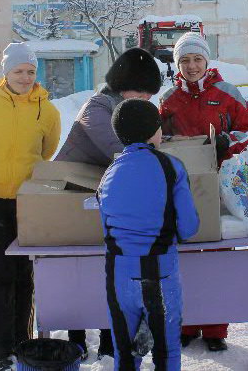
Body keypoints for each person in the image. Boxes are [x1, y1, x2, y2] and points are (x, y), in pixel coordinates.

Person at [56, 47, 162, 359]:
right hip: (72, 196)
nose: (145, 99)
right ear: (123, 85)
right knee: (79, 271)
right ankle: (76, 337)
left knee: (108, 267)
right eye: (141, 92)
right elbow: (121, 149)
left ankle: (106, 338)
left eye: (149, 95)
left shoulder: (132, 109)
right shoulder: (98, 107)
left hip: (104, 197)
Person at [159, 32, 248, 351]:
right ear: (178, 64)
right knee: (186, 254)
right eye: (184, 60)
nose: (191, 66)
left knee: (217, 255)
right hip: (182, 186)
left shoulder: (227, 92)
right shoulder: (169, 98)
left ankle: (216, 329)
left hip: (220, 184)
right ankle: (188, 324)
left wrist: (228, 142)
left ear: (207, 61)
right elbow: (159, 138)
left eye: (197, 59)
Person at [0, 42, 62, 371]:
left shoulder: (47, 110)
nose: (25, 77)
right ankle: (0, 350)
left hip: (28, 203)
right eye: (18, 71)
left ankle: (21, 343)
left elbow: (47, 151)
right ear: (5, 72)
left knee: (25, 276)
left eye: (30, 71)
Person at [99, 98, 199, 370]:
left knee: (126, 355)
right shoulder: (171, 167)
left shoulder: (109, 172)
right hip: (160, 274)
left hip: (118, 275)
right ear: (154, 130)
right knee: (167, 355)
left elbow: (107, 225)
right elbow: (189, 228)